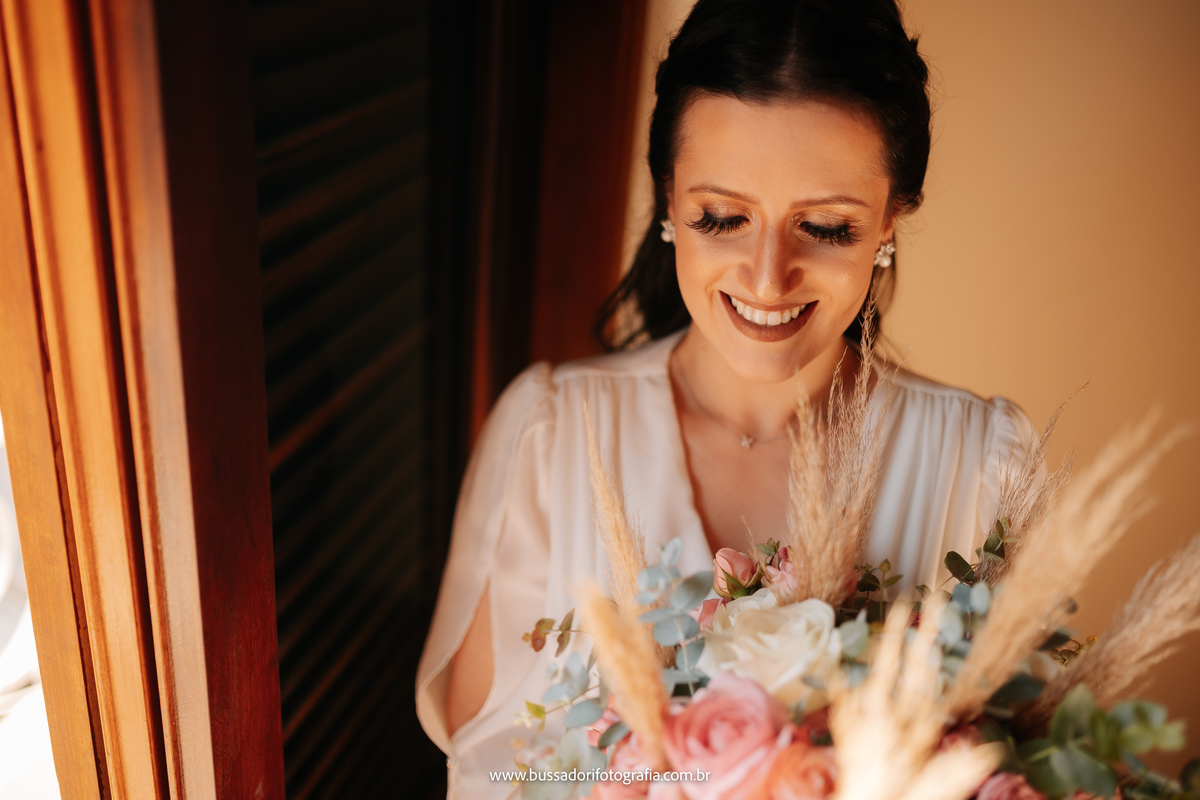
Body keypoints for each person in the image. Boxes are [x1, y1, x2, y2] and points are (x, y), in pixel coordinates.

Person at [417, 1, 1035, 796]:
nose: (767, 278)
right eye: (721, 217)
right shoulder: (551, 434)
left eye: (826, 227)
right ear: (669, 199)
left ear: (890, 218)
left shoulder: (981, 464)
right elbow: (488, 768)